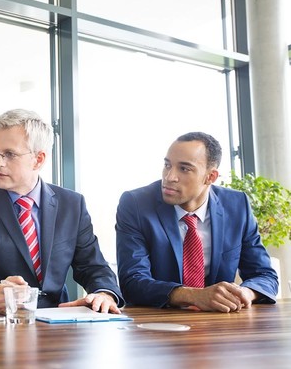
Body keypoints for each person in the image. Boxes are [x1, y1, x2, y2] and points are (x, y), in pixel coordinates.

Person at [0, 109, 124, 315]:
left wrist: (104, 293)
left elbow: (95, 268)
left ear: (38, 159)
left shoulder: (72, 204)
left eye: (9, 154)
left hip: (58, 323)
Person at [115, 131, 279, 313]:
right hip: (156, 323)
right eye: (167, 165)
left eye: (184, 168)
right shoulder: (136, 204)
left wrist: (244, 293)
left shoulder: (236, 205)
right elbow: (132, 281)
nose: (169, 177)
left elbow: (264, 275)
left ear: (210, 177)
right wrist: (194, 296)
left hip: (220, 323)